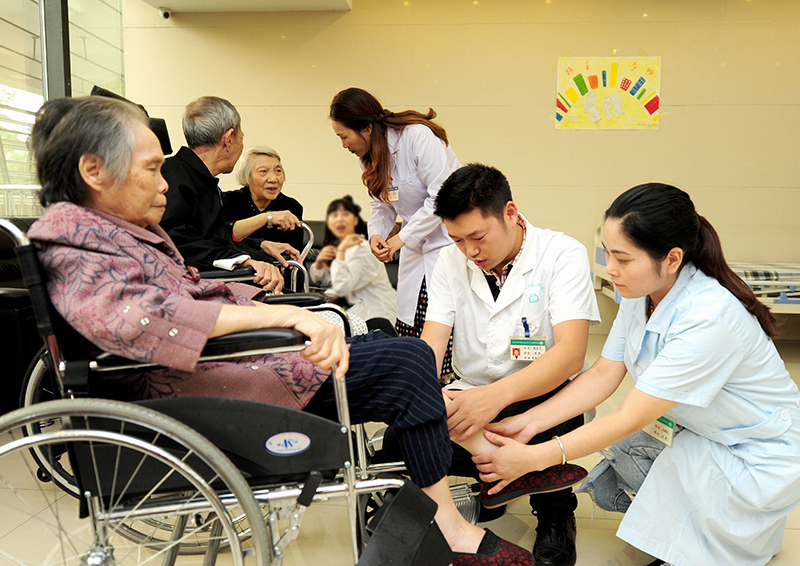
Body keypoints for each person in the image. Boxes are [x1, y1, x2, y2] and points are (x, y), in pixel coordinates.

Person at [27, 95, 535, 566]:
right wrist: (287, 315)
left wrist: (284, 308)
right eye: (153, 168)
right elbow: (149, 319)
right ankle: (452, 514)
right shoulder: (77, 244)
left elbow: (183, 295)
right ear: (93, 171)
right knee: (409, 363)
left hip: (217, 375)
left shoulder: (101, 233)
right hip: (206, 394)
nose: (164, 184)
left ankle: (450, 486)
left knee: (395, 351)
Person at [473, 183, 800, 566]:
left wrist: (538, 458)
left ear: (672, 258)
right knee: (648, 469)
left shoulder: (708, 317)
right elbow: (603, 374)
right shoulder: (642, 292)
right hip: (709, 428)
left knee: (691, 508)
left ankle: (735, 537)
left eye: (623, 259)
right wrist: (528, 422)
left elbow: (631, 416)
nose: (611, 269)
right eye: (607, 254)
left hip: (759, 449)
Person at [421, 164, 601, 566]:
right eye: (457, 239)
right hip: (473, 387)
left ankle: (556, 516)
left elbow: (570, 353)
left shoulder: (561, 253)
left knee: (539, 422)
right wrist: (422, 388)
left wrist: (493, 399)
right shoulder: (450, 262)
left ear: (510, 213)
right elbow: (433, 340)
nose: (469, 251)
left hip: (545, 390)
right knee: (410, 436)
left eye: (478, 237)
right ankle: (495, 481)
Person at [329, 88, 459, 371]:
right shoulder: (369, 153)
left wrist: (400, 238)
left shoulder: (416, 137)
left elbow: (442, 196)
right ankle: (424, 394)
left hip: (449, 245)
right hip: (415, 252)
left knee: (445, 342)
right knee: (413, 333)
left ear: (366, 127)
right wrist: (376, 234)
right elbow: (381, 205)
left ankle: (446, 399)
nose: (343, 145)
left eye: (343, 136)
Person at [159, 96, 296, 283]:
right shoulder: (170, 177)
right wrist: (244, 261)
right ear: (229, 139)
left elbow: (214, 238)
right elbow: (176, 241)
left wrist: (261, 245)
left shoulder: (199, 179)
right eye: (241, 137)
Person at [310, 195, 397, 327]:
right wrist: (320, 262)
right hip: (357, 310)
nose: (340, 220)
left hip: (376, 315)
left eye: (345, 215)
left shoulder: (363, 249)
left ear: (355, 220)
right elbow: (320, 278)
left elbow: (341, 286)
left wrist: (340, 253)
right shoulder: (340, 246)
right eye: (334, 216)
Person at [222, 146, 305, 261]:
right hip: (238, 272)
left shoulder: (291, 207)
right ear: (247, 176)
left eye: (278, 171)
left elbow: (293, 254)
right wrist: (267, 219)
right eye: (263, 171)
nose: (273, 179)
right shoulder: (228, 201)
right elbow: (221, 239)